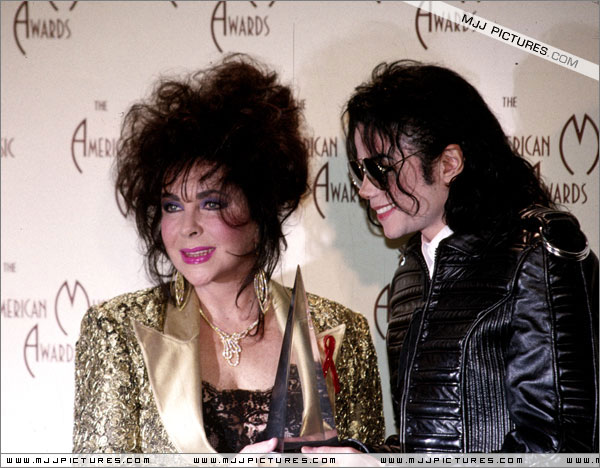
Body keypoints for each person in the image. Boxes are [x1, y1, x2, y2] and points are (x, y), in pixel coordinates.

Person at [72, 54, 384, 453]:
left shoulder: (341, 332)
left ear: (261, 206)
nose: (187, 227)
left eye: (211, 203)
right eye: (172, 206)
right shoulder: (118, 331)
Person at [304, 60, 598, 454]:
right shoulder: (410, 275)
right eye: (360, 170)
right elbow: (424, 445)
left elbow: (558, 448)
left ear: (449, 164)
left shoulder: (537, 251)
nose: (365, 189)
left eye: (380, 168)